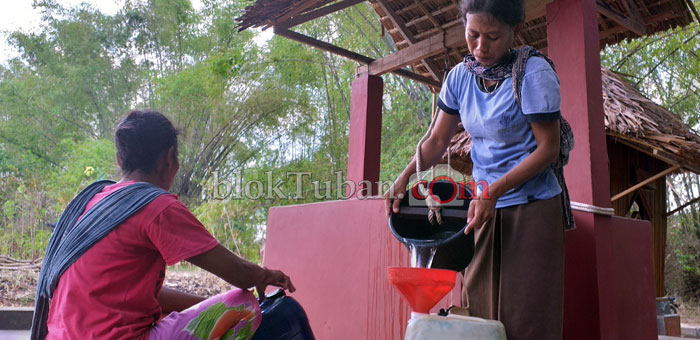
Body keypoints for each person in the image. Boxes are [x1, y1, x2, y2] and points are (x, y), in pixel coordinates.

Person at [384, 0, 567, 338]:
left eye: (493, 37)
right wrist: (403, 179)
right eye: (473, 35)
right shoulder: (460, 77)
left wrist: (494, 191)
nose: (481, 47)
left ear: (513, 31)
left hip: (531, 206)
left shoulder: (533, 73)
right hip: (481, 208)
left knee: (527, 314)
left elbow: (548, 149)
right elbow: (437, 141)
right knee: (478, 310)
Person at [33, 110, 295, 340]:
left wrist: (205, 307)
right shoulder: (155, 205)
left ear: (119, 160)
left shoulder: (93, 202)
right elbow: (240, 275)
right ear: (170, 158)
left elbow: (148, 296)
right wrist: (264, 276)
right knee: (244, 306)